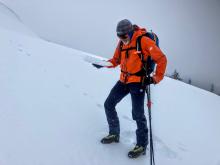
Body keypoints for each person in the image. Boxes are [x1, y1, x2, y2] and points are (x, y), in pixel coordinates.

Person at [93, 19, 167, 158]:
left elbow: (161, 59)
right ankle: (114, 134)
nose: (122, 39)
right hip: (124, 80)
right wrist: (102, 64)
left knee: (138, 114)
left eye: (124, 36)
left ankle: (141, 145)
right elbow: (116, 60)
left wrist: (155, 78)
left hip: (138, 82)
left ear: (130, 32)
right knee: (108, 104)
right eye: (119, 36)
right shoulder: (122, 43)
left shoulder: (143, 41)